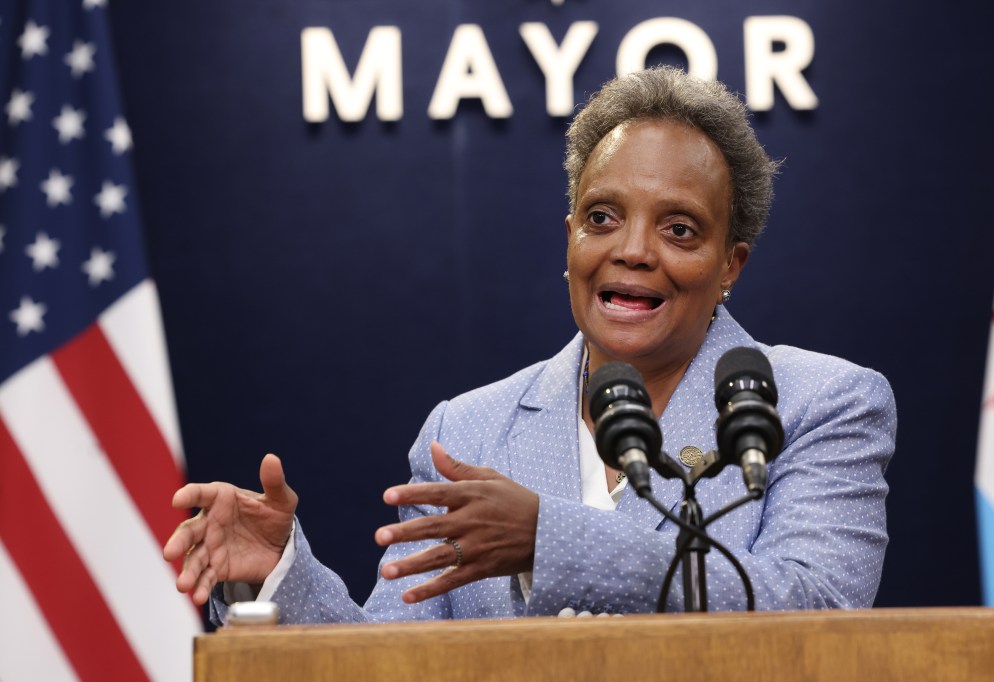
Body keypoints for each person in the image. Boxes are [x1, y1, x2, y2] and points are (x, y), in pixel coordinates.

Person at [164, 66, 896, 623]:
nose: (633, 251)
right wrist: (281, 576)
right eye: (602, 217)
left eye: (679, 229)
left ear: (730, 264)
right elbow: (393, 664)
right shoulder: (467, 431)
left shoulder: (820, 403)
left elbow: (817, 607)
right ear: (571, 237)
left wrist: (550, 539)